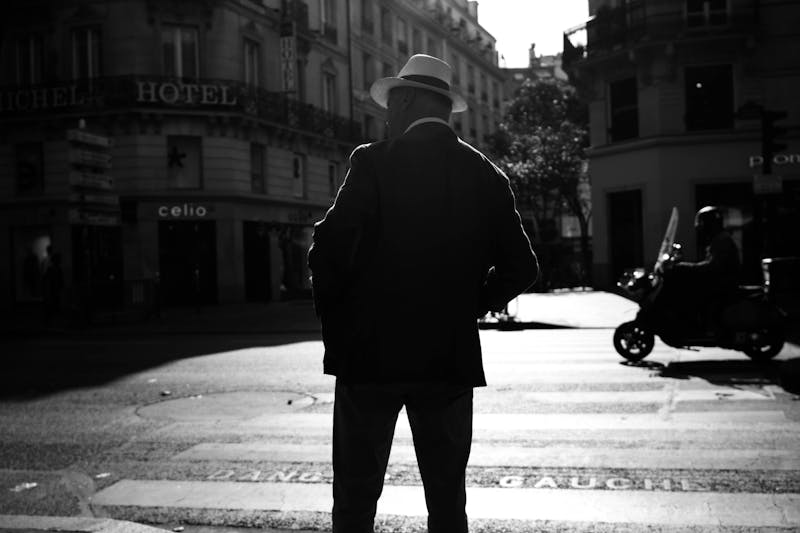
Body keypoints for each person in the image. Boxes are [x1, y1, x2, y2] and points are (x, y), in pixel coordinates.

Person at [308, 54, 538, 533]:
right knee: (447, 497)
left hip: (369, 357)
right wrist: (467, 306)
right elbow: (523, 267)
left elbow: (325, 251)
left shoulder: (372, 162)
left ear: (408, 99)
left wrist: (341, 332)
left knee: (355, 495)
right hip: (447, 359)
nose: (386, 115)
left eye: (391, 104)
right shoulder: (487, 175)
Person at [669, 205, 740, 330]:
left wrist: (686, 267)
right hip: (720, 280)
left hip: (723, 283)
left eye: (703, 225)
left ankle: (700, 327)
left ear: (710, 224)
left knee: (689, 294)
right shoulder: (718, 239)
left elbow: (713, 266)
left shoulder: (722, 240)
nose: (701, 229)